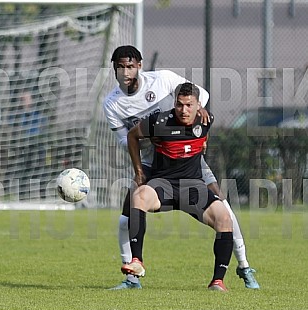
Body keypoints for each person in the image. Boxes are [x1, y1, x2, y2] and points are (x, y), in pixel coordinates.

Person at [103, 45, 259, 290]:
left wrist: (199, 110)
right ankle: (132, 275)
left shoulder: (163, 79)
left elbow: (200, 94)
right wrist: (148, 143)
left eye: (130, 66)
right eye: (120, 67)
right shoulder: (112, 104)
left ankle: (244, 266)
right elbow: (126, 139)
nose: (125, 72)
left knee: (224, 209)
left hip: (188, 154)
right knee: (127, 214)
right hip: (152, 158)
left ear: (140, 66)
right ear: (113, 69)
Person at [122, 82, 233, 291]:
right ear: (174, 103)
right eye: (180, 105)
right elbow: (132, 136)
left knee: (224, 218)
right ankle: (137, 261)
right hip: (163, 184)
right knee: (139, 196)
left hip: (193, 188)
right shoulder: (159, 121)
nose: (184, 110)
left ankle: (218, 281)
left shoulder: (206, 119)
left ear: (199, 105)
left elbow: (203, 138)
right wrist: (139, 172)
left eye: (189, 105)